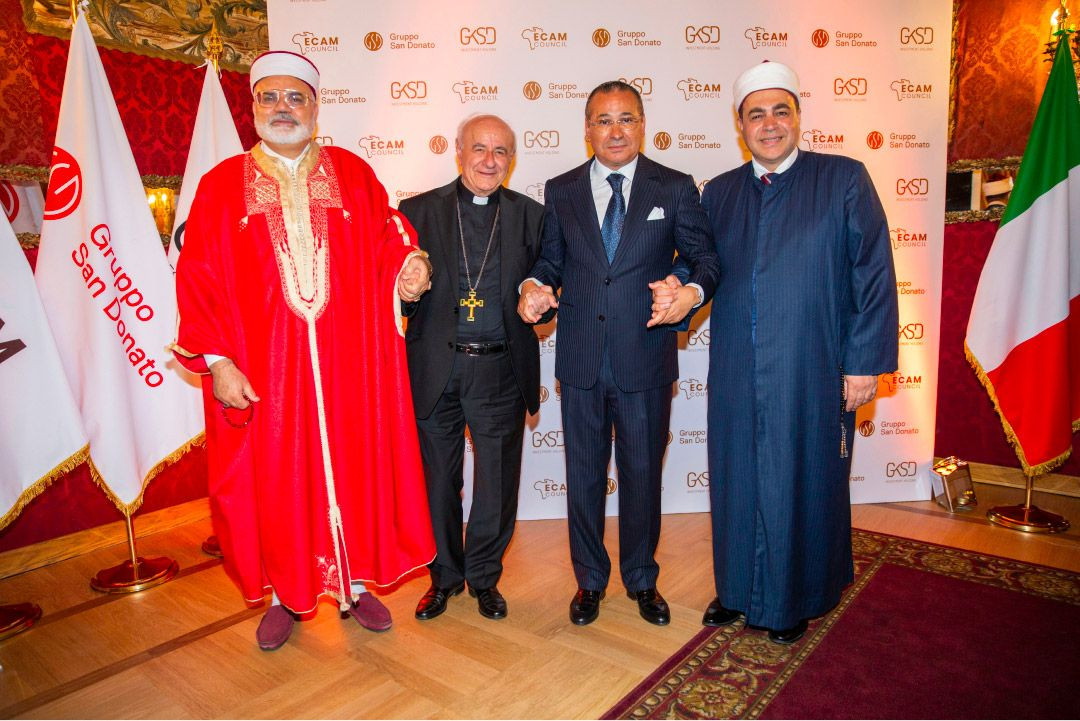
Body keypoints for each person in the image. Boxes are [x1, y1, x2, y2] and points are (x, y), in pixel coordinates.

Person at [172, 51, 436, 651]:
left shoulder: (352, 173)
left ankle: (355, 585)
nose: (283, 108)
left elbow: (389, 234)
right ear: (253, 106)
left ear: (316, 108)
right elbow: (197, 279)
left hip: (349, 367)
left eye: (296, 97)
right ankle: (283, 596)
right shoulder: (220, 186)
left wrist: (409, 265)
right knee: (276, 483)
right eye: (270, 97)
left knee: (354, 470)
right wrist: (218, 362)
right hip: (265, 374)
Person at [689, 61, 898, 644]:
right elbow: (701, 265)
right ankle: (738, 589)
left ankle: (796, 598)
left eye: (781, 111)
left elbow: (873, 272)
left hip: (813, 366)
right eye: (756, 114)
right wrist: (679, 287)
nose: (770, 124)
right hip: (737, 368)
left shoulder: (844, 178)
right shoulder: (720, 192)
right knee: (736, 477)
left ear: (799, 117)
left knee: (804, 480)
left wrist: (863, 362)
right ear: (740, 126)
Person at [518, 81, 720, 627]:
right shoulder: (561, 189)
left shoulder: (674, 186)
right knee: (583, 476)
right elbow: (551, 262)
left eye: (626, 119)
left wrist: (687, 289)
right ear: (587, 129)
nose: (615, 131)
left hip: (645, 359)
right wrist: (534, 285)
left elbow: (704, 260)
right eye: (603, 120)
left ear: (642, 125)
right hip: (581, 360)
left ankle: (642, 579)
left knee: (642, 476)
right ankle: (589, 581)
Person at [399, 114, 544, 621]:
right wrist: (405, 290)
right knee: (437, 481)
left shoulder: (531, 215)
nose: (489, 160)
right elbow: (396, 290)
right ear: (458, 151)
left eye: (500, 151)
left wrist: (539, 293)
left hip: (500, 368)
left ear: (512, 159)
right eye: (479, 148)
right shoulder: (416, 211)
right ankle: (444, 577)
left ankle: (484, 577)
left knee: (497, 484)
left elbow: (546, 278)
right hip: (436, 368)